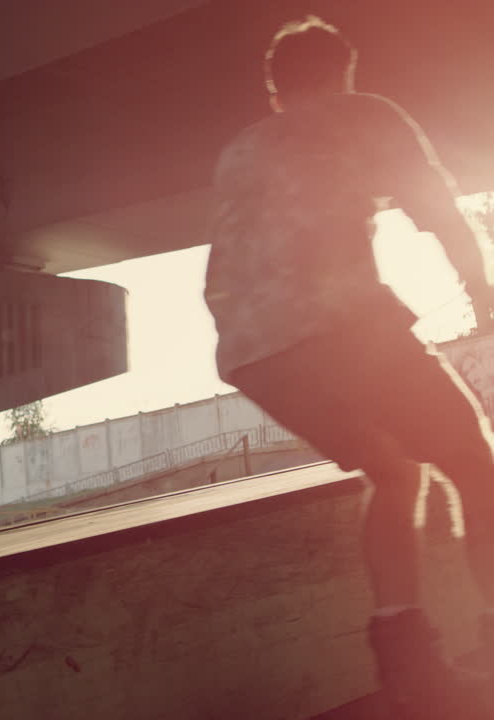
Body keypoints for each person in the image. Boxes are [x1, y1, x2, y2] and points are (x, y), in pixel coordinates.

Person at [204, 15, 494, 716]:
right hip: (340, 324)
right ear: (345, 72)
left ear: (275, 88)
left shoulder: (240, 150)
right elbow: (439, 212)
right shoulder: (363, 113)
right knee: (475, 464)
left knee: (393, 470)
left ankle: (407, 666)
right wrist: (484, 303)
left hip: (252, 353)